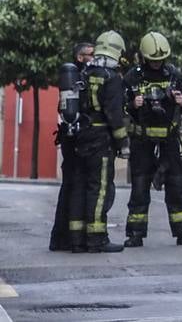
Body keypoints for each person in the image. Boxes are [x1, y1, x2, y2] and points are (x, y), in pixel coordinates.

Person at [123, 32, 182, 247]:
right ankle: (135, 234)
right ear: (144, 58)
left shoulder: (173, 75)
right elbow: (118, 106)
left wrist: (181, 102)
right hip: (142, 142)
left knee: (176, 187)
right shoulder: (132, 77)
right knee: (139, 187)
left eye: (160, 60)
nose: (157, 64)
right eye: (153, 60)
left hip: (169, 142)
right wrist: (131, 105)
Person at [71, 30, 128, 253]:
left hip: (81, 135)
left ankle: (77, 238)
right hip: (100, 140)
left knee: (81, 187)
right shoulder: (112, 78)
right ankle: (97, 239)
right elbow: (114, 115)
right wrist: (123, 144)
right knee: (100, 188)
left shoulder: (84, 73)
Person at [48, 41, 93, 252]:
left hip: (69, 140)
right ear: (79, 57)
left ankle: (61, 238)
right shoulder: (78, 78)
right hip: (76, 142)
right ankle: (69, 238)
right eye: (89, 54)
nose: (93, 58)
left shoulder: (74, 78)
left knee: (69, 187)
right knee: (74, 188)